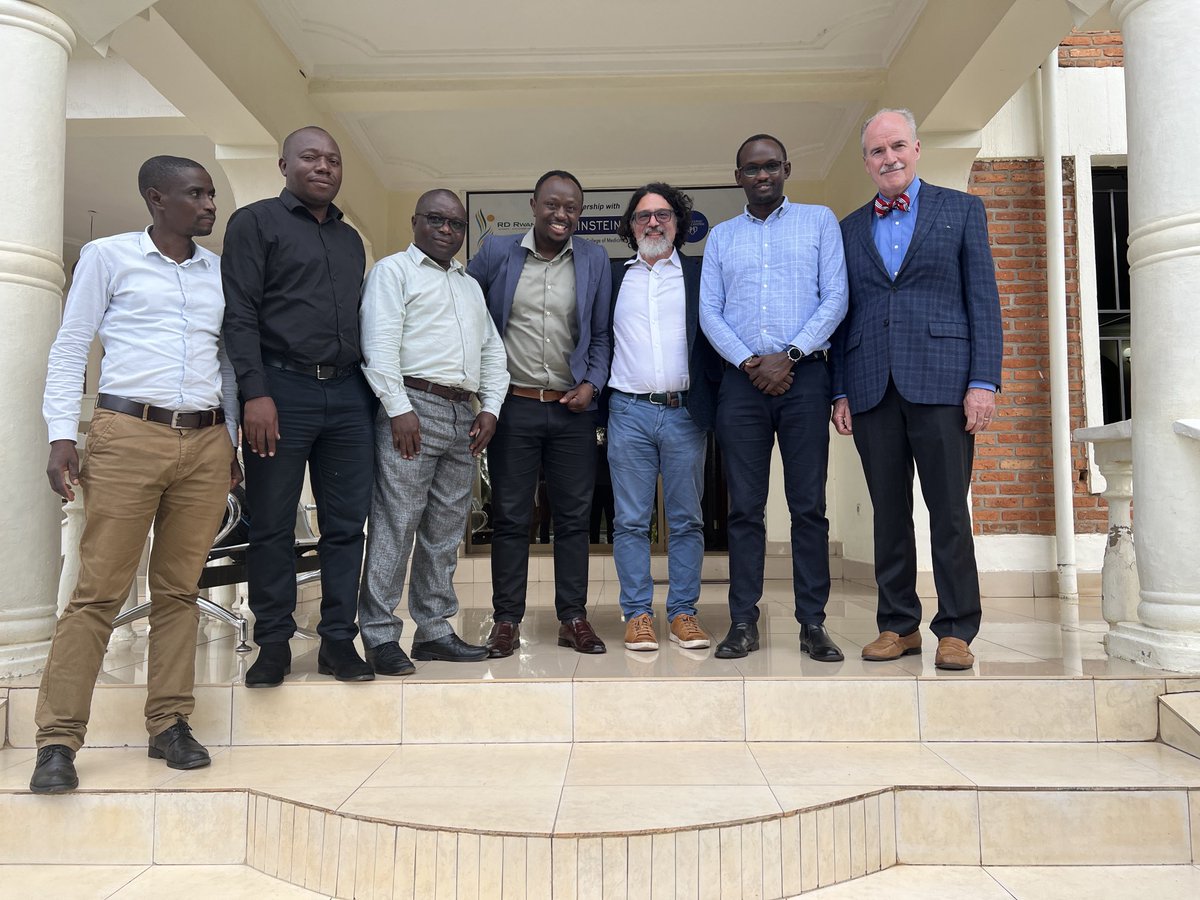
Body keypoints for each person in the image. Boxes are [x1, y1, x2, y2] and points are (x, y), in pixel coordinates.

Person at [32, 156, 241, 793]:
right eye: (196, 195)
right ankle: (58, 740)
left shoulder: (218, 272)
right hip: (127, 433)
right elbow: (72, 346)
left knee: (179, 589)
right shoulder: (107, 256)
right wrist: (62, 434)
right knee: (98, 591)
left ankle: (170, 723)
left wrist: (229, 441)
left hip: (205, 440)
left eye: (210, 194)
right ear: (156, 198)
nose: (209, 205)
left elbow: (227, 363)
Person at [831, 108, 1002, 670]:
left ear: (918, 148)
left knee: (949, 509)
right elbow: (842, 314)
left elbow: (984, 302)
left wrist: (982, 382)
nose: (890, 158)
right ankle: (897, 625)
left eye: (898, 146)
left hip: (944, 383)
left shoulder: (962, 210)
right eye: (878, 151)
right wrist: (840, 390)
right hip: (871, 384)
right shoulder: (850, 227)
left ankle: (956, 628)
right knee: (889, 512)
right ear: (866, 162)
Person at [222, 125, 375, 687]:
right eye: (310, 157)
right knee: (271, 525)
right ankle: (273, 644)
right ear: (283, 163)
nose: (324, 167)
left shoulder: (350, 239)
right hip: (279, 393)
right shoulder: (255, 222)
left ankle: (338, 641)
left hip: (348, 395)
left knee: (345, 526)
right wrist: (254, 393)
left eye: (333, 159)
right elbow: (238, 314)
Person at [700, 134, 848, 662]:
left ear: (786, 168)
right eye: (750, 169)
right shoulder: (720, 237)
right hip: (742, 384)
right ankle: (743, 622)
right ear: (737, 176)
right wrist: (749, 362)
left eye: (770, 167)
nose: (761, 176)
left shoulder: (819, 222)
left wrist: (791, 353)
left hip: (804, 377)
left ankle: (813, 623)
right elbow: (709, 312)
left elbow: (835, 296)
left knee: (809, 507)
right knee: (745, 510)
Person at [357, 190, 509, 672]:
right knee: (396, 524)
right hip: (411, 409)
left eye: (456, 223)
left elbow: (492, 353)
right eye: (436, 220)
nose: (447, 229)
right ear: (415, 221)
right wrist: (398, 409)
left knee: (445, 531)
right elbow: (378, 345)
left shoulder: (469, 285)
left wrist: (491, 409)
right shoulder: (392, 272)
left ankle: (435, 630)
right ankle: (380, 636)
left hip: (463, 415)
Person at [467, 170, 612, 657]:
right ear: (533, 204)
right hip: (513, 408)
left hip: (572, 410)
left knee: (574, 518)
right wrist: (481, 393)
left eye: (572, 207)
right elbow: (468, 315)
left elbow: (600, 335)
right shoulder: (496, 253)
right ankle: (506, 620)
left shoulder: (594, 260)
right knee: (510, 517)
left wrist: (593, 383)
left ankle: (573, 617)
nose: (562, 215)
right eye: (552, 204)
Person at [607, 183, 721, 652]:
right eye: (643, 216)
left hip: (684, 412)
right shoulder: (614, 276)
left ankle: (683, 613)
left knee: (687, 519)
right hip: (627, 411)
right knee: (631, 521)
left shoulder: (699, 274)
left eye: (663, 215)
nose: (653, 223)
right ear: (631, 229)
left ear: (679, 222)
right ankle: (637, 615)